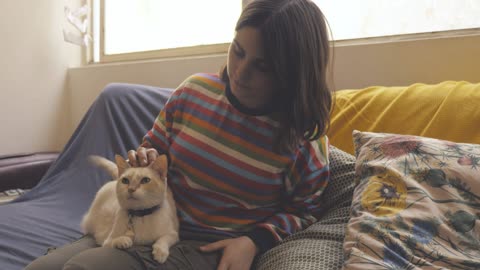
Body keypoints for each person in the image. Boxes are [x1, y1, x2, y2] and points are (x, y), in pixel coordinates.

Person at [25, 0, 332, 269]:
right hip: (146, 220)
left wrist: (253, 241)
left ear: (293, 72)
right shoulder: (192, 92)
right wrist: (143, 157)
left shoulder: (303, 142)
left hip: (204, 250)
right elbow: (153, 149)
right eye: (237, 51)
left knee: (84, 268)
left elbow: (304, 213)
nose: (240, 72)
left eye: (262, 66)